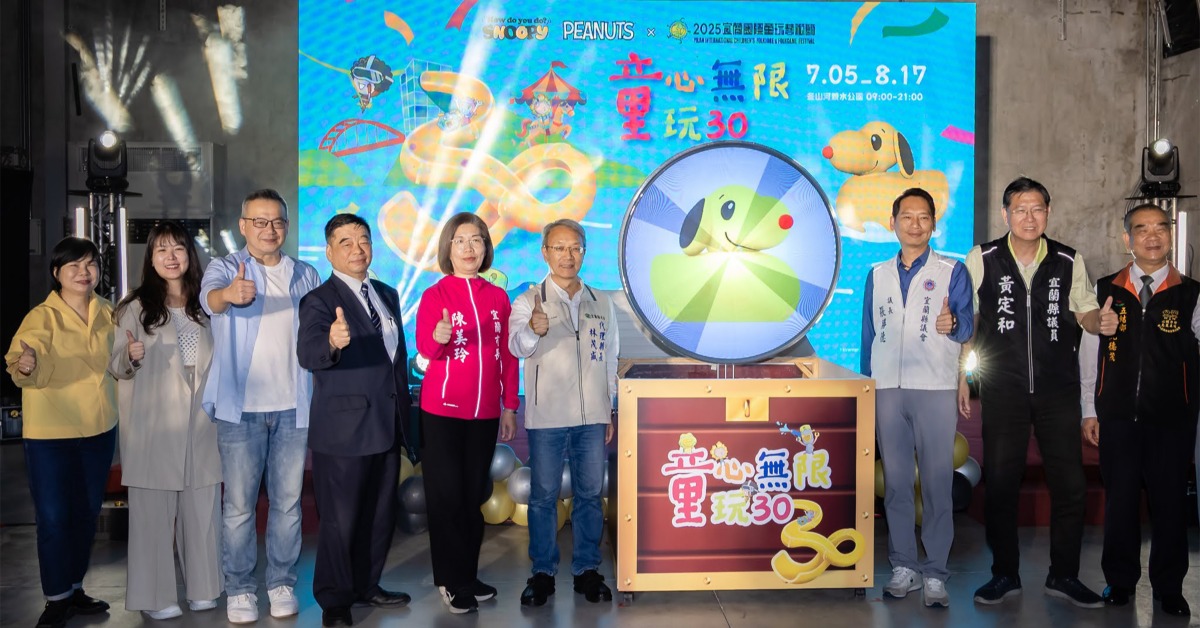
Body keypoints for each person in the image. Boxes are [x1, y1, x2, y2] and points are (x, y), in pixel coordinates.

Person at [961, 177, 1116, 608]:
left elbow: (1085, 311)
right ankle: (1004, 574)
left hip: (1057, 391)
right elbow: (970, 318)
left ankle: (1064, 575)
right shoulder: (983, 258)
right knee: (1001, 485)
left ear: (1049, 213)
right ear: (1005, 214)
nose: (1029, 217)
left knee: (1070, 486)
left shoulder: (1067, 259)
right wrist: (962, 373)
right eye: (1020, 209)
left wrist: (1098, 323)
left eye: (1037, 209)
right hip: (1002, 390)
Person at [200, 189, 320, 623]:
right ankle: (240, 589)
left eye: (277, 222)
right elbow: (209, 300)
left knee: (288, 504)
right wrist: (228, 295)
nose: (270, 229)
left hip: (293, 408)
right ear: (243, 226)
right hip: (241, 411)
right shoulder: (225, 267)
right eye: (260, 221)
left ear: (286, 226)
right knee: (238, 507)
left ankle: (282, 583)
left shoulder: (305, 273)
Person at [1078, 204, 1197, 617]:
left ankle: (1170, 587)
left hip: (1173, 418)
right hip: (1117, 416)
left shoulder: (1191, 293)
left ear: (1170, 235)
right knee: (1121, 501)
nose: (1152, 236)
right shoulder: (1104, 290)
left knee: (1170, 503)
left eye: (1160, 228)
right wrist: (1088, 409)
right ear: (1127, 239)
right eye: (1142, 229)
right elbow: (1088, 356)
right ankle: (1120, 580)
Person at [861, 189, 974, 608]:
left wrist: (953, 322)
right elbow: (869, 337)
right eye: (907, 216)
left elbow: (967, 327)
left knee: (937, 482)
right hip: (887, 389)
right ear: (893, 223)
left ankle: (936, 572)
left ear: (934, 224)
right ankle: (904, 566)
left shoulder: (952, 271)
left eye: (923, 217)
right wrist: (867, 386)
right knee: (895, 483)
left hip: (935, 388)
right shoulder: (876, 274)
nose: (915, 224)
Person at [298, 214, 412, 627]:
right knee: (340, 520)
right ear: (329, 252)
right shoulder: (319, 300)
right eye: (345, 242)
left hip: (387, 422)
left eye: (363, 239)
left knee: (379, 515)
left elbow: (393, 358)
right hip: (343, 431)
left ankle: (367, 584)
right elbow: (308, 353)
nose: (357, 248)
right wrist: (331, 341)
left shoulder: (386, 294)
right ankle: (334, 599)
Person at [109, 222, 221, 620]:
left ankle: (204, 587)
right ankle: (155, 596)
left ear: (190, 254)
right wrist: (131, 356)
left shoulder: (207, 302)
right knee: (152, 513)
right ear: (151, 259)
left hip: (202, 414)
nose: (171, 257)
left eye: (178, 249)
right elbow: (116, 364)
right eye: (162, 250)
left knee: (202, 504)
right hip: (155, 418)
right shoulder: (135, 307)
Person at [5, 237, 117, 628]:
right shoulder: (41, 317)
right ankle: (56, 599)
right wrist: (26, 363)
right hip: (50, 434)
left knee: (86, 514)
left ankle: (74, 587)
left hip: (99, 428)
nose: (84, 273)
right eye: (74, 266)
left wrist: (133, 359)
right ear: (57, 273)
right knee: (54, 517)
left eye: (91, 264)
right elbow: (21, 360)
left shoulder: (109, 312)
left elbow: (121, 363)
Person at [508, 219, 618, 607]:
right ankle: (542, 572)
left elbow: (610, 357)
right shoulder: (528, 300)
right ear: (545, 253)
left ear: (584, 252)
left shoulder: (601, 301)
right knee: (543, 497)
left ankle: (587, 569)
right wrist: (532, 329)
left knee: (590, 495)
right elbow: (516, 347)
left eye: (575, 247)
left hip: (592, 417)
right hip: (548, 416)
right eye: (559, 247)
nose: (567, 256)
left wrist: (609, 408)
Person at [415, 212, 518, 614]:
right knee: (446, 499)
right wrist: (438, 337)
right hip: (442, 413)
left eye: (477, 240)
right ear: (448, 248)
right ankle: (450, 580)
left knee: (473, 495)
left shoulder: (498, 298)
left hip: (485, 413)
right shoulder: (435, 295)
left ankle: (468, 575)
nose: (469, 248)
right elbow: (425, 348)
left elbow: (508, 356)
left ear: (486, 247)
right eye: (460, 240)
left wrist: (510, 405)